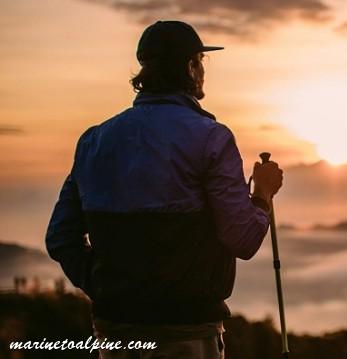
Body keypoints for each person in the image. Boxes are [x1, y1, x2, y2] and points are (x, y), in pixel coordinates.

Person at [45, 20, 283, 358]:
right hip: (186, 332)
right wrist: (263, 194)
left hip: (113, 330)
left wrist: (103, 287)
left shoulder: (95, 140)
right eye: (201, 61)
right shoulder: (210, 139)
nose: (203, 70)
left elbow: (60, 237)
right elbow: (242, 240)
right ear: (190, 66)